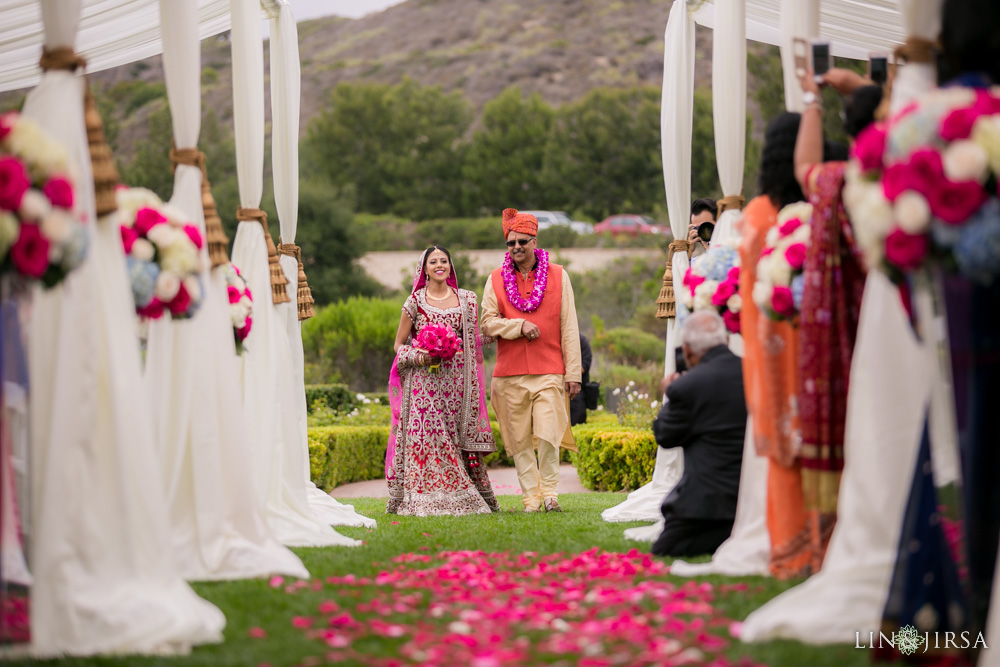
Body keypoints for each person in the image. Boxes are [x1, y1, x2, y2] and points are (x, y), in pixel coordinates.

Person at [794, 66, 879, 557]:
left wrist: (812, 99)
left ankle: (842, 533)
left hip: (852, 323)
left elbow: (805, 168)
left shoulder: (838, 181)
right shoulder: (913, 172)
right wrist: (868, 91)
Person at [386, 246, 500, 516]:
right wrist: (420, 356)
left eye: (444, 261)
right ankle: (426, 496)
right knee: (431, 436)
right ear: (424, 269)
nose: (439, 265)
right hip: (424, 382)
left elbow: (472, 339)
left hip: (458, 383)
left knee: (454, 437)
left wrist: (498, 332)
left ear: (450, 266)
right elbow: (399, 344)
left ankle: (465, 494)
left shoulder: (467, 299)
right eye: (433, 261)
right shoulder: (414, 302)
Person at [482, 208, 583, 513]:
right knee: (519, 439)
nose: (516, 248)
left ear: (535, 241)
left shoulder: (558, 275)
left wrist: (573, 372)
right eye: (511, 243)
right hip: (508, 374)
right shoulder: (496, 279)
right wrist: (517, 326)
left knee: (549, 433)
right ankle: (531, 498)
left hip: (549, 369)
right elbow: (487, 322)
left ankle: (550, 494)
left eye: (522, 242)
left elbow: (569, 326)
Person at [651, 310, 747, 557]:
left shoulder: (687, 386)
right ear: (726, 340)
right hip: (753, 499)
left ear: (688, 350)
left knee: (665, 548)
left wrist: (671, 393)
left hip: (705, 506)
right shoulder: (753, 374)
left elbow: (665, 436)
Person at [569, 333, 592, 426]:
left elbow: (585, 365)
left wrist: (570, 375)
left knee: (578, 417)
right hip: (558, 386)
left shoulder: (581, 340)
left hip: (578, 388)